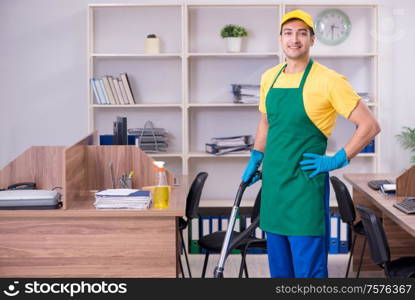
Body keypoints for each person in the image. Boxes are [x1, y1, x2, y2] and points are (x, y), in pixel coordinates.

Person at [242, 10, 380, 278]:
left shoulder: (329, 80)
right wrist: (256, 156)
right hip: (274, 187)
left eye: (302, 33)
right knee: (280, 272)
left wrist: (338, 158)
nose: (294, 39)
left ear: (312, 40)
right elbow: (266, 122)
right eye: (288, 33)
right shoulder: (270, 76)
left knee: (309, 273)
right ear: (280, 39)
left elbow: (370, 125)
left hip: (304, 188)